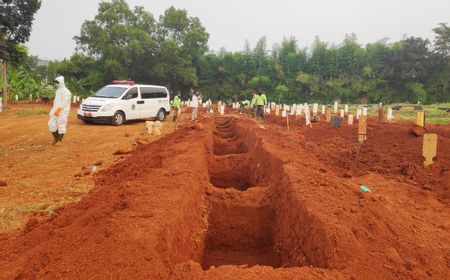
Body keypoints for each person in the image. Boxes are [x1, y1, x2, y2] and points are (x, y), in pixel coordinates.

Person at [48, 76, 71, 145]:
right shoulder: (57, 90)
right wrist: (54, 110)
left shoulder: (66, 92)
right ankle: (56, 139)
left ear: (61, 82)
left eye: (57, 83)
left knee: (61, 125)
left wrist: (58, 110)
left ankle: (59, 140)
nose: (56, 84)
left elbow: (64, 102)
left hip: (62, 112)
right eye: (55, 83)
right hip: (55, 110)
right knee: (51, 124)